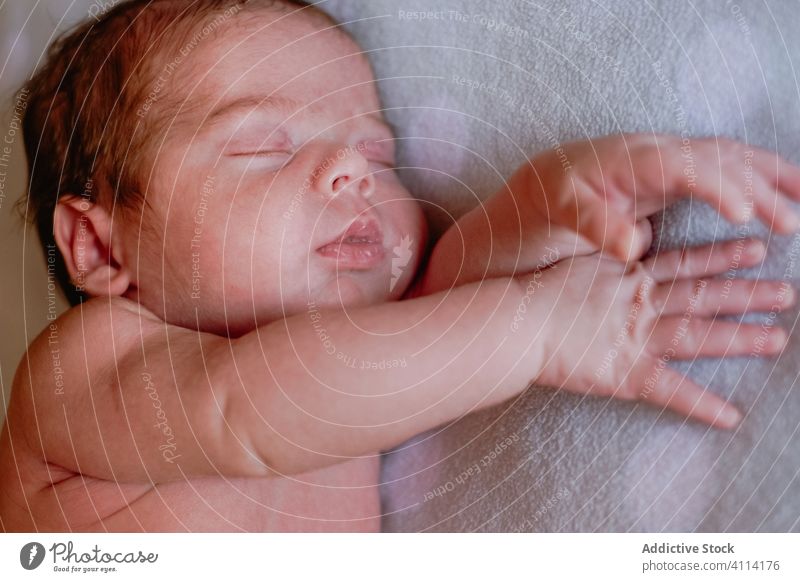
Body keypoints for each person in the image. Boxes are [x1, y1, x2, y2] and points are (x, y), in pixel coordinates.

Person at [1, 0, 797, 532]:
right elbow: (243, 407)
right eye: (264, 147)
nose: (351, 167)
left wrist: (555, 198)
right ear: (102, 249)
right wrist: (541, 325)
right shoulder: (78, 373)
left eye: (379, 155)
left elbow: (435, 322)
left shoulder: (362, 344)